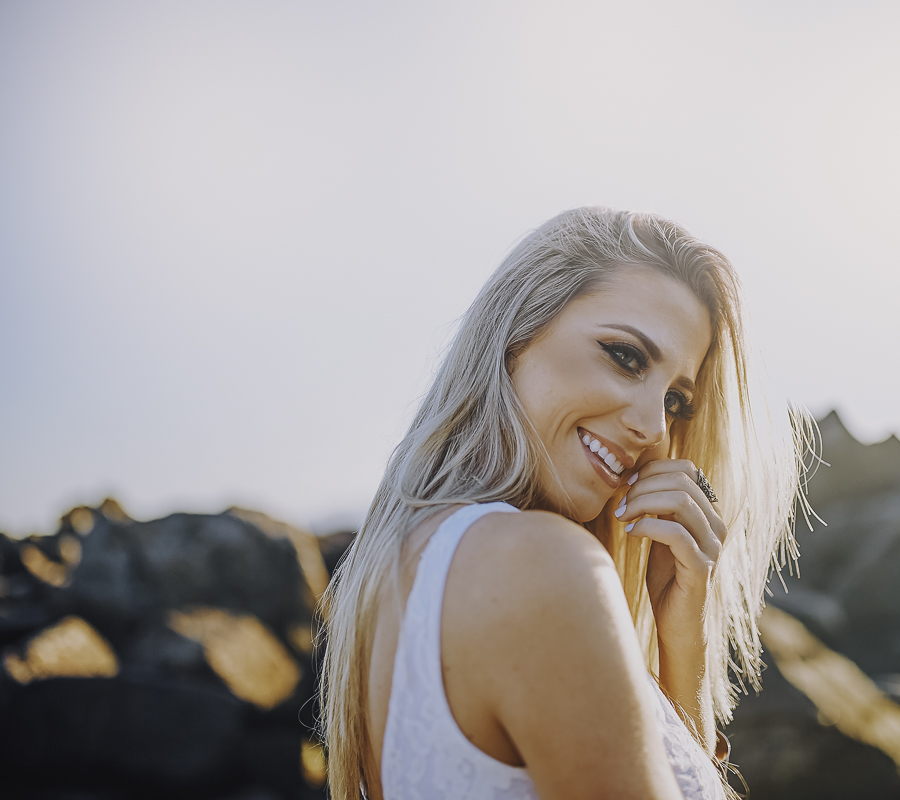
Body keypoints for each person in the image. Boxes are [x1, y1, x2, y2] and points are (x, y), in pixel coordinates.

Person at [319, 207, 809, 800]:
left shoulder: (406, 570)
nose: (654, 427)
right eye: (625, 356)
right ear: (518, 331)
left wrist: (681, 636)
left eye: (677, 401)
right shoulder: (539, 565)